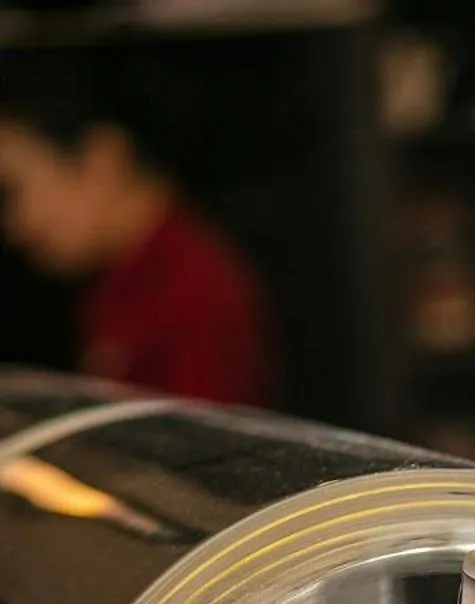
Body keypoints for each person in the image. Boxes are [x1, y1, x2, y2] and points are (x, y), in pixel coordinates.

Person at [0, 48, 272, 405]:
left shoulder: (192, 290)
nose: (14, 225)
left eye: (13, 190)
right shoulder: (114, 279)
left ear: (101, 159)